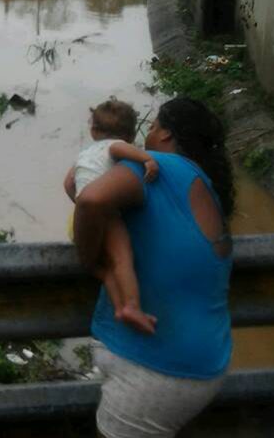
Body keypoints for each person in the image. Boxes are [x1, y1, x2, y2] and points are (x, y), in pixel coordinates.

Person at [68, 97, 234, 438]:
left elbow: (90, 198)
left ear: (167, 136)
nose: (149, 133)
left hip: (156, 369)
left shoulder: (156, 166)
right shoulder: (204, 187)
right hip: (201, 358)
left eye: (155, 126)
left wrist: (88, 258)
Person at [65, 99, 159, 335]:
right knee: (122, 258)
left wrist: (80, 205)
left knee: (107, 268)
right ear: (129, 134)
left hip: (80, 219)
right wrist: (147, 159)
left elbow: (68, 184)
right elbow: (121, 150)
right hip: (105, 215)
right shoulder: (116, 146)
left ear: (93, 130)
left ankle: (120, 308)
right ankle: (132, 305)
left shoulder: (84, 154)